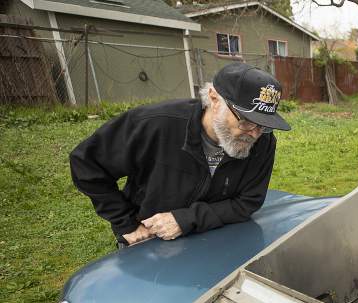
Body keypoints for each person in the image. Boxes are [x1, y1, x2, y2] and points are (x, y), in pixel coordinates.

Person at [70, 63, 290, 246]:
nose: (254, 134)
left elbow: (247, 202)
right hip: (150, 239)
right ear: (214, 99)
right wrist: (125, 223)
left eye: (263, 125)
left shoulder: (263, 142)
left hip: (215, 237)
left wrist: (185, 219)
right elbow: (86, 163)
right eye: (245, 121)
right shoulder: (155, 123)